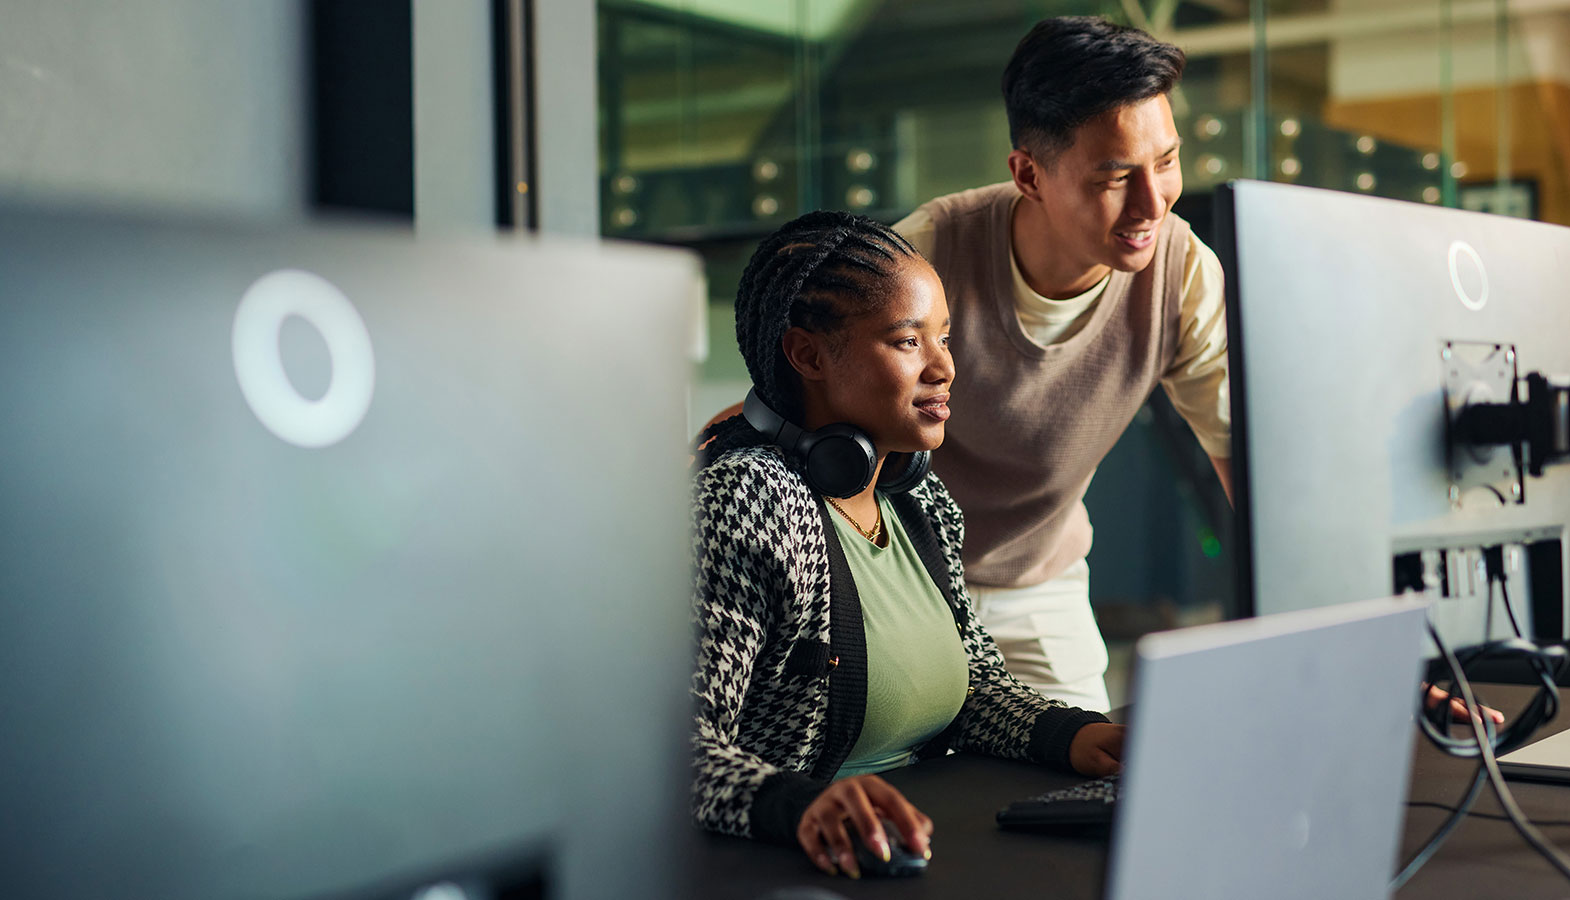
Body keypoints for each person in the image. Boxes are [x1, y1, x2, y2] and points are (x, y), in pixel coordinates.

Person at [690, 210, 1124, 878]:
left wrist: (1081, 737)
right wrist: (799, 806)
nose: (945, 366)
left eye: (944, 338)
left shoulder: (918, 500)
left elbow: (973, 687)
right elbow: (676, 751)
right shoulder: (745, 501)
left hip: (924, 842)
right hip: (795, 865)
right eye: (906, 341)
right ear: (808, 355)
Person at [887, 17, 1229, 711]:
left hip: (1039, 584)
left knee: (1087, 795)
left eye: (1166, 161)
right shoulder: (922, 258)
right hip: (899, 583)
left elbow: (1245, 459)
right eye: (1115, 175)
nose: (1153, 201)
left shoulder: (1182, 271)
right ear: (1028, 174)